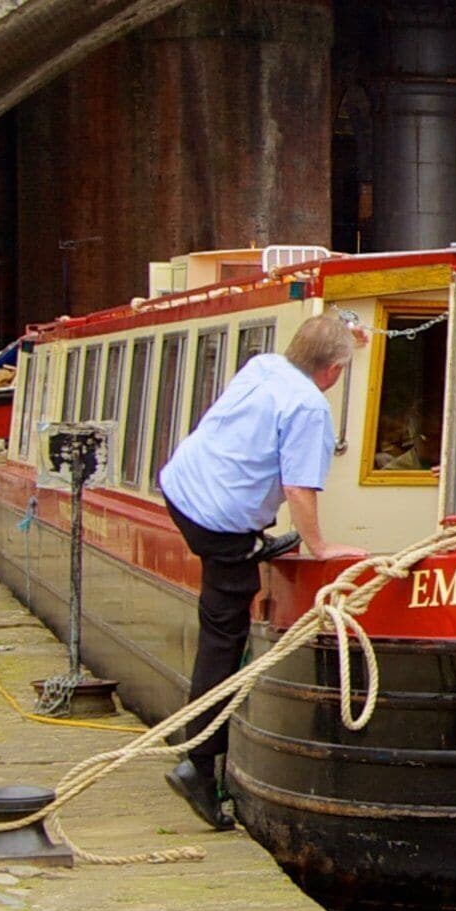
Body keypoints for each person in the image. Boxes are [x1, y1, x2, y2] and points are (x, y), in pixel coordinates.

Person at [154, 310, 353, 830]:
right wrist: (319, 547)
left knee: (228, 588)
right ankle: (197, 764)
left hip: (180, 487)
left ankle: (250, 546)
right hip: (219, 524)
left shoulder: (265, 366)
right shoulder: (311, 406)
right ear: (332, 372)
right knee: (223, 630)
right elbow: (298, 489)